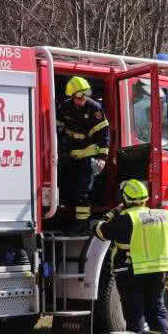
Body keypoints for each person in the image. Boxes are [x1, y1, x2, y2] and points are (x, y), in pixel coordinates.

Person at [94, 179, 168, 333]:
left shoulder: (125, 219)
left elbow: (100, 231)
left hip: (131, 272)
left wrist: (111, 213)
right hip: (157, 272)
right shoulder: (162, 216)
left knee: (134, 313)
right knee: (156, 310)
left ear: (125, 199)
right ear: (145, 198)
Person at [57, 76, 110, 224]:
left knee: (83, 190)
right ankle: (68, 221)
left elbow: (104, 134)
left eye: (85, 95)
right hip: (71, 153)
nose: (83, 100)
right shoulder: (64, 107)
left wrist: (102, 158)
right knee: (68, 188)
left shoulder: (95, 108)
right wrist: (60, 150)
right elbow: (57, 128)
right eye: (80, 97)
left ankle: (82, 224)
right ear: (72, 96)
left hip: (89, 153)